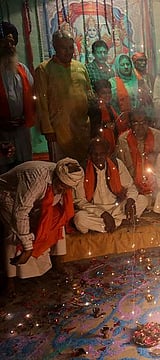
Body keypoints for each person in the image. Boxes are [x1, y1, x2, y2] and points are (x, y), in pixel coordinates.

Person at [0, 158, 84, 297]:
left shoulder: (67, 176)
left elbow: (57, 204)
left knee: (58, 221)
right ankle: (10, 280)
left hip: (34, 200)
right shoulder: (37, 181)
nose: (64, 190)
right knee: (14, 232)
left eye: (68, 187)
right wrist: (27, 249)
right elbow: (21, 212)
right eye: (62, 186)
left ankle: (57, 262)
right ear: (56, 177)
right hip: (8, 195)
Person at [34, 29, 92, 165]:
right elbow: (41, 103)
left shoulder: (80, 67)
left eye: (71, 47)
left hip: (82, 128)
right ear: (55, 47)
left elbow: (89, 95)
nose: (68, 51)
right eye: (63, 48)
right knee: (62, 169)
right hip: (59, 131)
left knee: (84, 166)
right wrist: (48, 130)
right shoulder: (44, 69)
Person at [73, 137, 149, 234]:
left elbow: (130, 186)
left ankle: (105, 225)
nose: (98, 157)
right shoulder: (82, 170)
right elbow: (81, 202)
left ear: (107, 154)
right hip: (95, 212)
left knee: (142, 200)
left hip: (117, 208)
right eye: (95, 154)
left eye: (102, 154)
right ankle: (120, 222)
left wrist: (130, 201)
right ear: (89, 155)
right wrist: (103, 214)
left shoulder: (116, 164)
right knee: (80, 219)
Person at [0, 21, 34, 174]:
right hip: (1, 133)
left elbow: (33, 97)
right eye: (5, 43)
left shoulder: (22, 69)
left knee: (24, 170)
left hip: (21, 132)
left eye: (12, 42)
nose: (10, 47)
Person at [117, 108, 160, 204]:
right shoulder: (123, 140)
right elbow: (121, 169)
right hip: (133, 186)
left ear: (148, 123)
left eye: (143, 122)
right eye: (136, 123)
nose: (140, 126)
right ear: (130, 125)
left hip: (156, 184)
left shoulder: (158, 136)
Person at [109, 54, 141, 134]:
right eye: (122, 65)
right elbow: (111, 104)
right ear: (117, 67)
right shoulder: (112, 83)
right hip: (120, 122)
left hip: (139, 121)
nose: (126, 67)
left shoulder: (139, 81)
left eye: (128, 64)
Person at [88, 79, 119, 156]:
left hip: (111, 144)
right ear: (96, 94)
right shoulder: (95, 108)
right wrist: (106, 126)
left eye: (109, 92)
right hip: (100, 148)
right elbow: (93, 128)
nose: (107, 96)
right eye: (103, 93)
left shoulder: (109, 106)